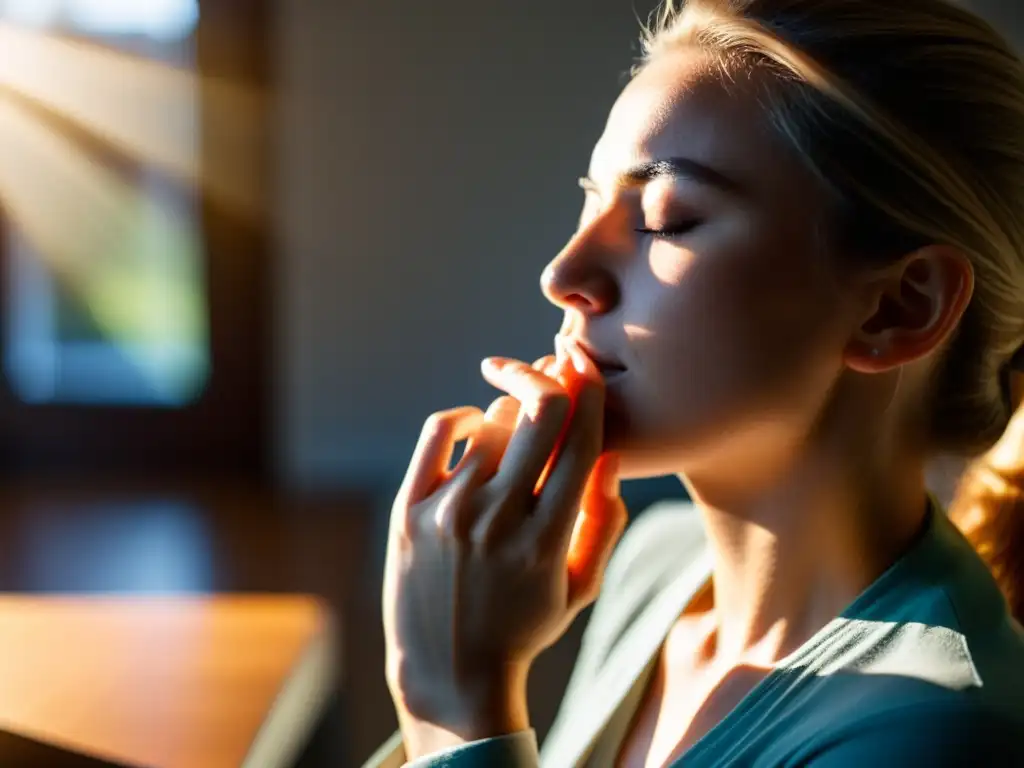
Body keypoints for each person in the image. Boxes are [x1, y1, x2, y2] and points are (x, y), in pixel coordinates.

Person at [364, 0, 1024, 765]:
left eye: (664, 218)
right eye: (590, 199)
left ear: (898, 308)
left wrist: (456, 705)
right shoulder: (657, 567)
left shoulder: (933, 732)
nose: (564, 275)